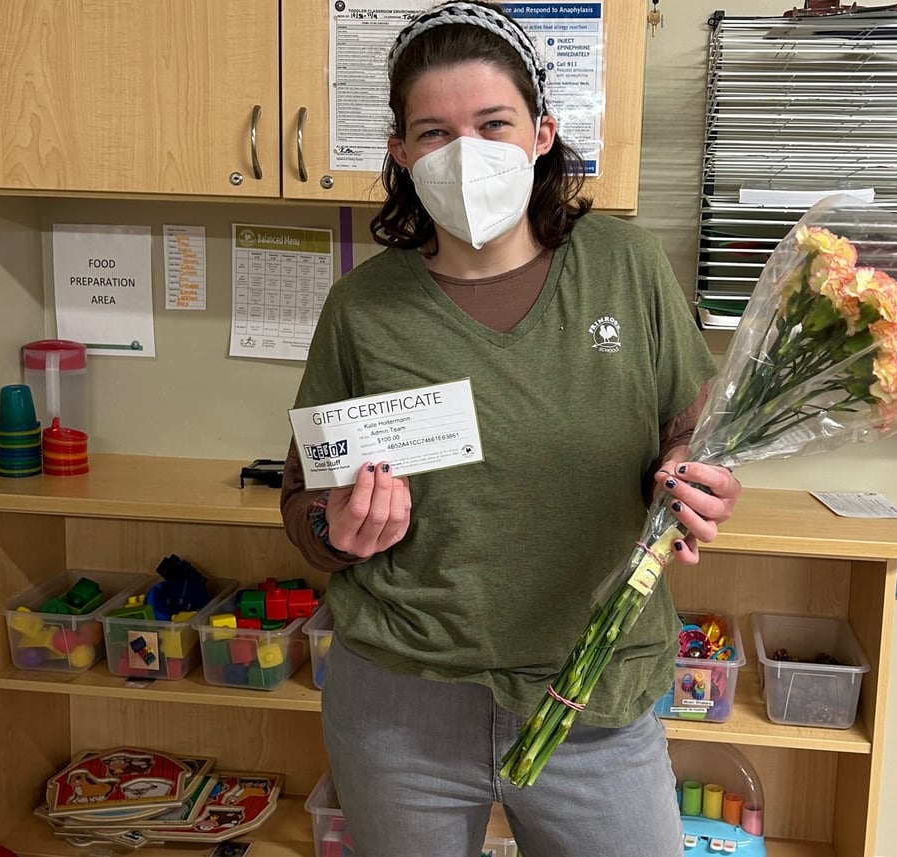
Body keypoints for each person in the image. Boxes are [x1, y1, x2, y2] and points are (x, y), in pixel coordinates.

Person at [280, 3, 742, 855]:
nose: (465, 153)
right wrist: (336, 531)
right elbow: (303, 507)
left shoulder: (624, 266)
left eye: (492, 123)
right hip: (402, 701)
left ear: (540, 134)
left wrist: (694, 475)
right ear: (400, 155)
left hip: (592, 690)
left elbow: (695, 434)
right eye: (433, 132)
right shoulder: (363, 307)